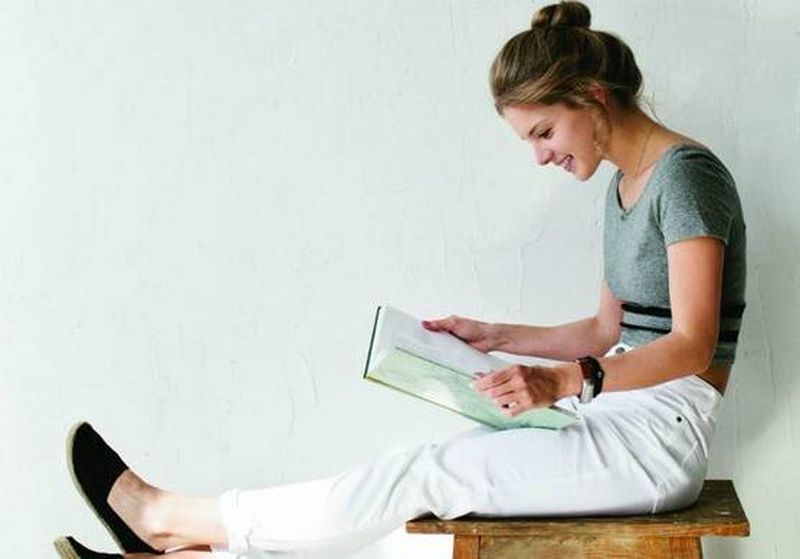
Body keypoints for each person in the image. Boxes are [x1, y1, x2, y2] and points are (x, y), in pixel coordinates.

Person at [54, 2, 746, 558]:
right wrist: (494, 333)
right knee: (409, 480)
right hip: (612, 411)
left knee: (427, 477)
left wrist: (564, 381)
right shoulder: (624, 185)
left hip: (657, 438)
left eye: (543, 131)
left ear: (592, 97)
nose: (540, 156)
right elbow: (605, 330)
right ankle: (193, 556)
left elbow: (692, 342)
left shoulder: (687, 178)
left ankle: (167, 516)